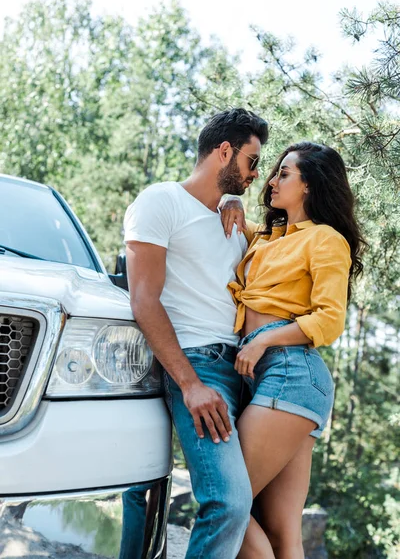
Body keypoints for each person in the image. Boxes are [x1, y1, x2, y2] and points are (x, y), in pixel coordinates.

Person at [123, 108, 269, 559]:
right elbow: (144, 300)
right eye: (252, 160)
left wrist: (238, 210)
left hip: (247, 368)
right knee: (227, 502)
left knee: (254, 506)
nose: (256, 174)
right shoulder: (161, 200)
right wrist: (191, 384)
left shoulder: (233, 222)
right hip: (199, 365)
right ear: (224, 151)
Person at [221, 141, 365, 558]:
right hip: (276, 378)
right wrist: (231, 197)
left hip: (292, 374)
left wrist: (264, 338)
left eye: (284, 173)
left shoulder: (326, 240)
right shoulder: (269, 235)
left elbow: (329, 319)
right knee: (284, 531)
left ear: (309, 185)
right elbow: (226, 215)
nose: (271, 180)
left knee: (226, 502)